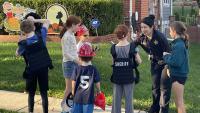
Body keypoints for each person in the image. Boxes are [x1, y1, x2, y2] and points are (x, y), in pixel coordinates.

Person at [134, 15, 171, 113]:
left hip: (165, 65)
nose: (143, 29)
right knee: (155, 88)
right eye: (142, 27)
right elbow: (132, 45)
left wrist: (168, 68)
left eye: (145, 27)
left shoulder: (159, 37)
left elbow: (169, 52)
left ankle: (163, 110)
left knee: (164, 89)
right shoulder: (142, 37)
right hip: (154, 64)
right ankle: (155, 108)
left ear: (152, 27)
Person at [18, 18, 51, 113]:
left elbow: (18, 53)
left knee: (31, 93)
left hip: (31, 69)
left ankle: (30, 111)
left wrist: (20, 40)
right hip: (43, 68)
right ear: (34, 27)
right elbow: (47, 21)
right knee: (44, 93)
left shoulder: (23, 43)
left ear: (23, 31)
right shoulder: (41, 34)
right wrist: (35, 20)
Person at [110, 24, 142, 113]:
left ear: (117, 36)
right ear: (127, 34)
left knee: (116, 99)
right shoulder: (132, 47)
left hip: (117, 77)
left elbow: (113, 63)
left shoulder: (113, 48)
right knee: (128, 99)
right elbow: (139, 61)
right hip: (128, 77)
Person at [163, 21, 189, 113]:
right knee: (178, 102)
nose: (169, 33)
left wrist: (166, 56)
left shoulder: (178, 45)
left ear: (174, 31)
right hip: (178, 75)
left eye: (170, 31)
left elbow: (176, 62)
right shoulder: (179, 43)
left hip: (178, 76)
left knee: (179, 103)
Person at [71, 42, 101, 113]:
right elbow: (97, 82)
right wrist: (99, 91)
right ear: (91, 57)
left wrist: (72, 92)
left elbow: (73, 81)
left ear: (79, 57)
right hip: (88, 99)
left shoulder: (76, 69)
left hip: (77, 98)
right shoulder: (93, 69)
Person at [60, 15, 81, 112]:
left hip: (74, 63)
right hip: (69, 64)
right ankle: (64, 107)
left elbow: (73, 50)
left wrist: (79, 57)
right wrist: (75, 60)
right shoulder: (66, 36)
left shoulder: (71, 34)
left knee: (74, 87)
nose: (79, 27)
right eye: (78, 25)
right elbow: (66, 53)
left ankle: (69, 105)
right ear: (72, 25)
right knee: (69, 88)